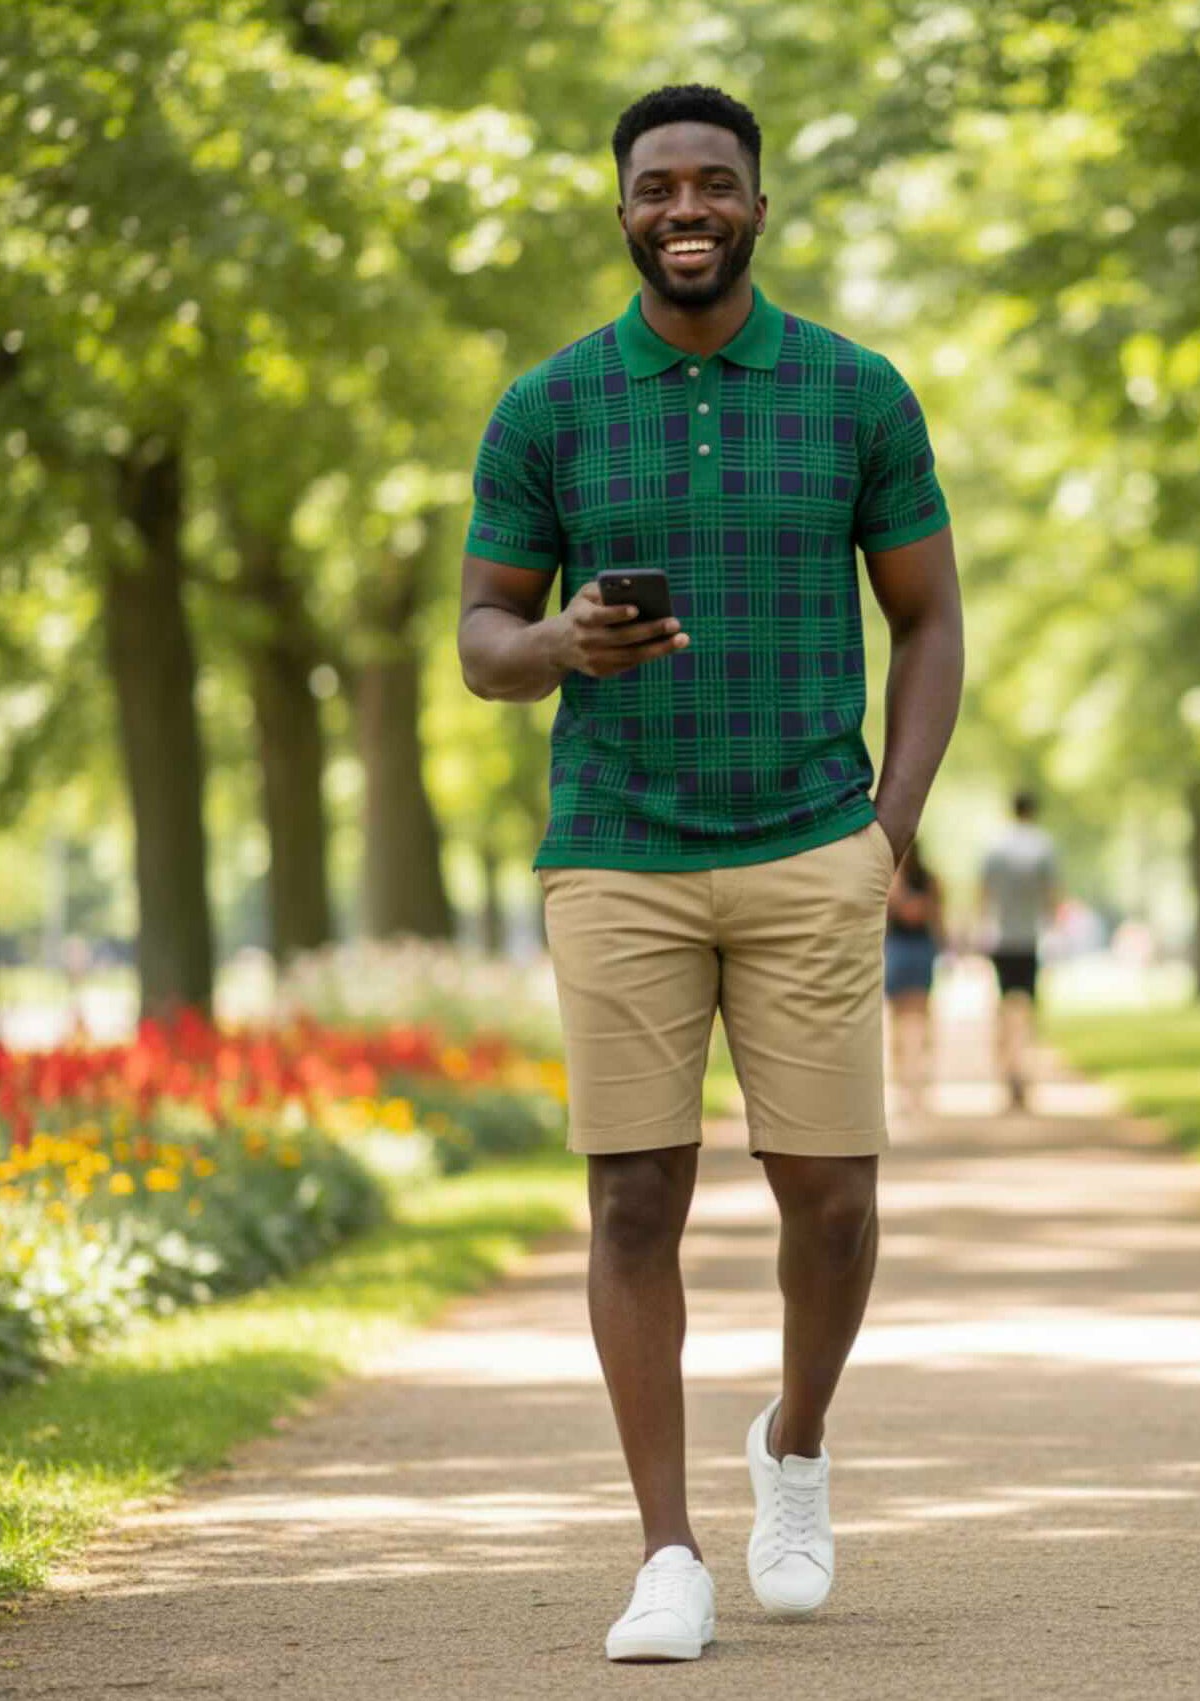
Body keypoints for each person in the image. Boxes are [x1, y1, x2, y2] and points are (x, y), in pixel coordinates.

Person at [456, 84, 963, 1664]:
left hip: (810, 838)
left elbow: (928, 618)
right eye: (657, 185)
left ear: (756, 202)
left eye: (714, 183)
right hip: (616, 849)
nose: (686, 206)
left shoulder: (852, 390)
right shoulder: (546, 407)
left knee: (829, 1204)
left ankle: (793, 1446)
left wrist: (884, 828)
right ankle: (665, 1553)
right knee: (630, 1197)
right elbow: (481, 642)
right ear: (619, 210)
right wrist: (556, 640)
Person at [979, 790, 1060, 1110]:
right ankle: (1021, 1069)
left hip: (1000, 937)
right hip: (1030, 938)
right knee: (1026, 1008)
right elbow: (1052, 894)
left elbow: (983, 893)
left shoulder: (995, 846)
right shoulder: (1044, 846)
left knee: (1004, 1006)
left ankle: (1007, 1070)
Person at [883, 837, 945, 1116]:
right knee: (919, 1020)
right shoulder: (931, 881)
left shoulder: (892, 880)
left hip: (902, 950)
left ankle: (908, 1084)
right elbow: (935, 918)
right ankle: (916, 1084)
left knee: (902, 1021)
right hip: (918, 950)